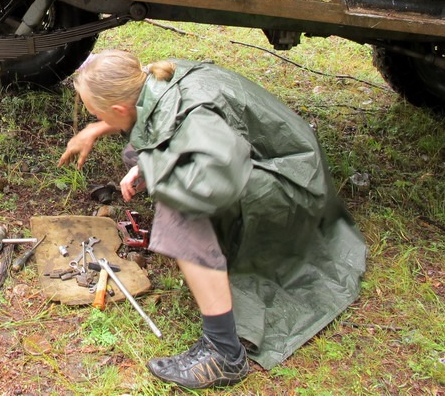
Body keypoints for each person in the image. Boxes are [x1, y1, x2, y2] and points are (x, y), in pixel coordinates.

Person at [60, 50, 366, 390]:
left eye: (94, 111)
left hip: (295, 188)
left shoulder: (195, 114)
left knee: (179, 214)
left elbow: (215, 183)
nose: (92, 115)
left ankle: (225, 353)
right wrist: (98, 130)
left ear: (118, 108)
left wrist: (153, 168)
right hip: (285, 166)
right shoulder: (158, 77)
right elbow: (150, 123)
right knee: (143, 154)